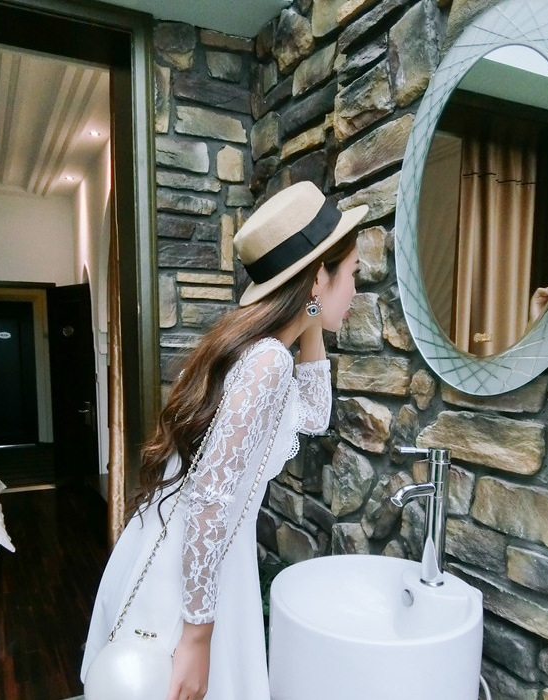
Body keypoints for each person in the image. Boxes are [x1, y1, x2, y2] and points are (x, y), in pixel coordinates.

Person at [81, 180, 368, 700]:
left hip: (202, 560)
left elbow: (313, 415)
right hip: (191, 576)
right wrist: (197, 635)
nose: (355, 290)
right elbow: (210, 499)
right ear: (317, 278)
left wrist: (310, 317)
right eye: (351, 273)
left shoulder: (259, 348)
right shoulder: (267, 361)